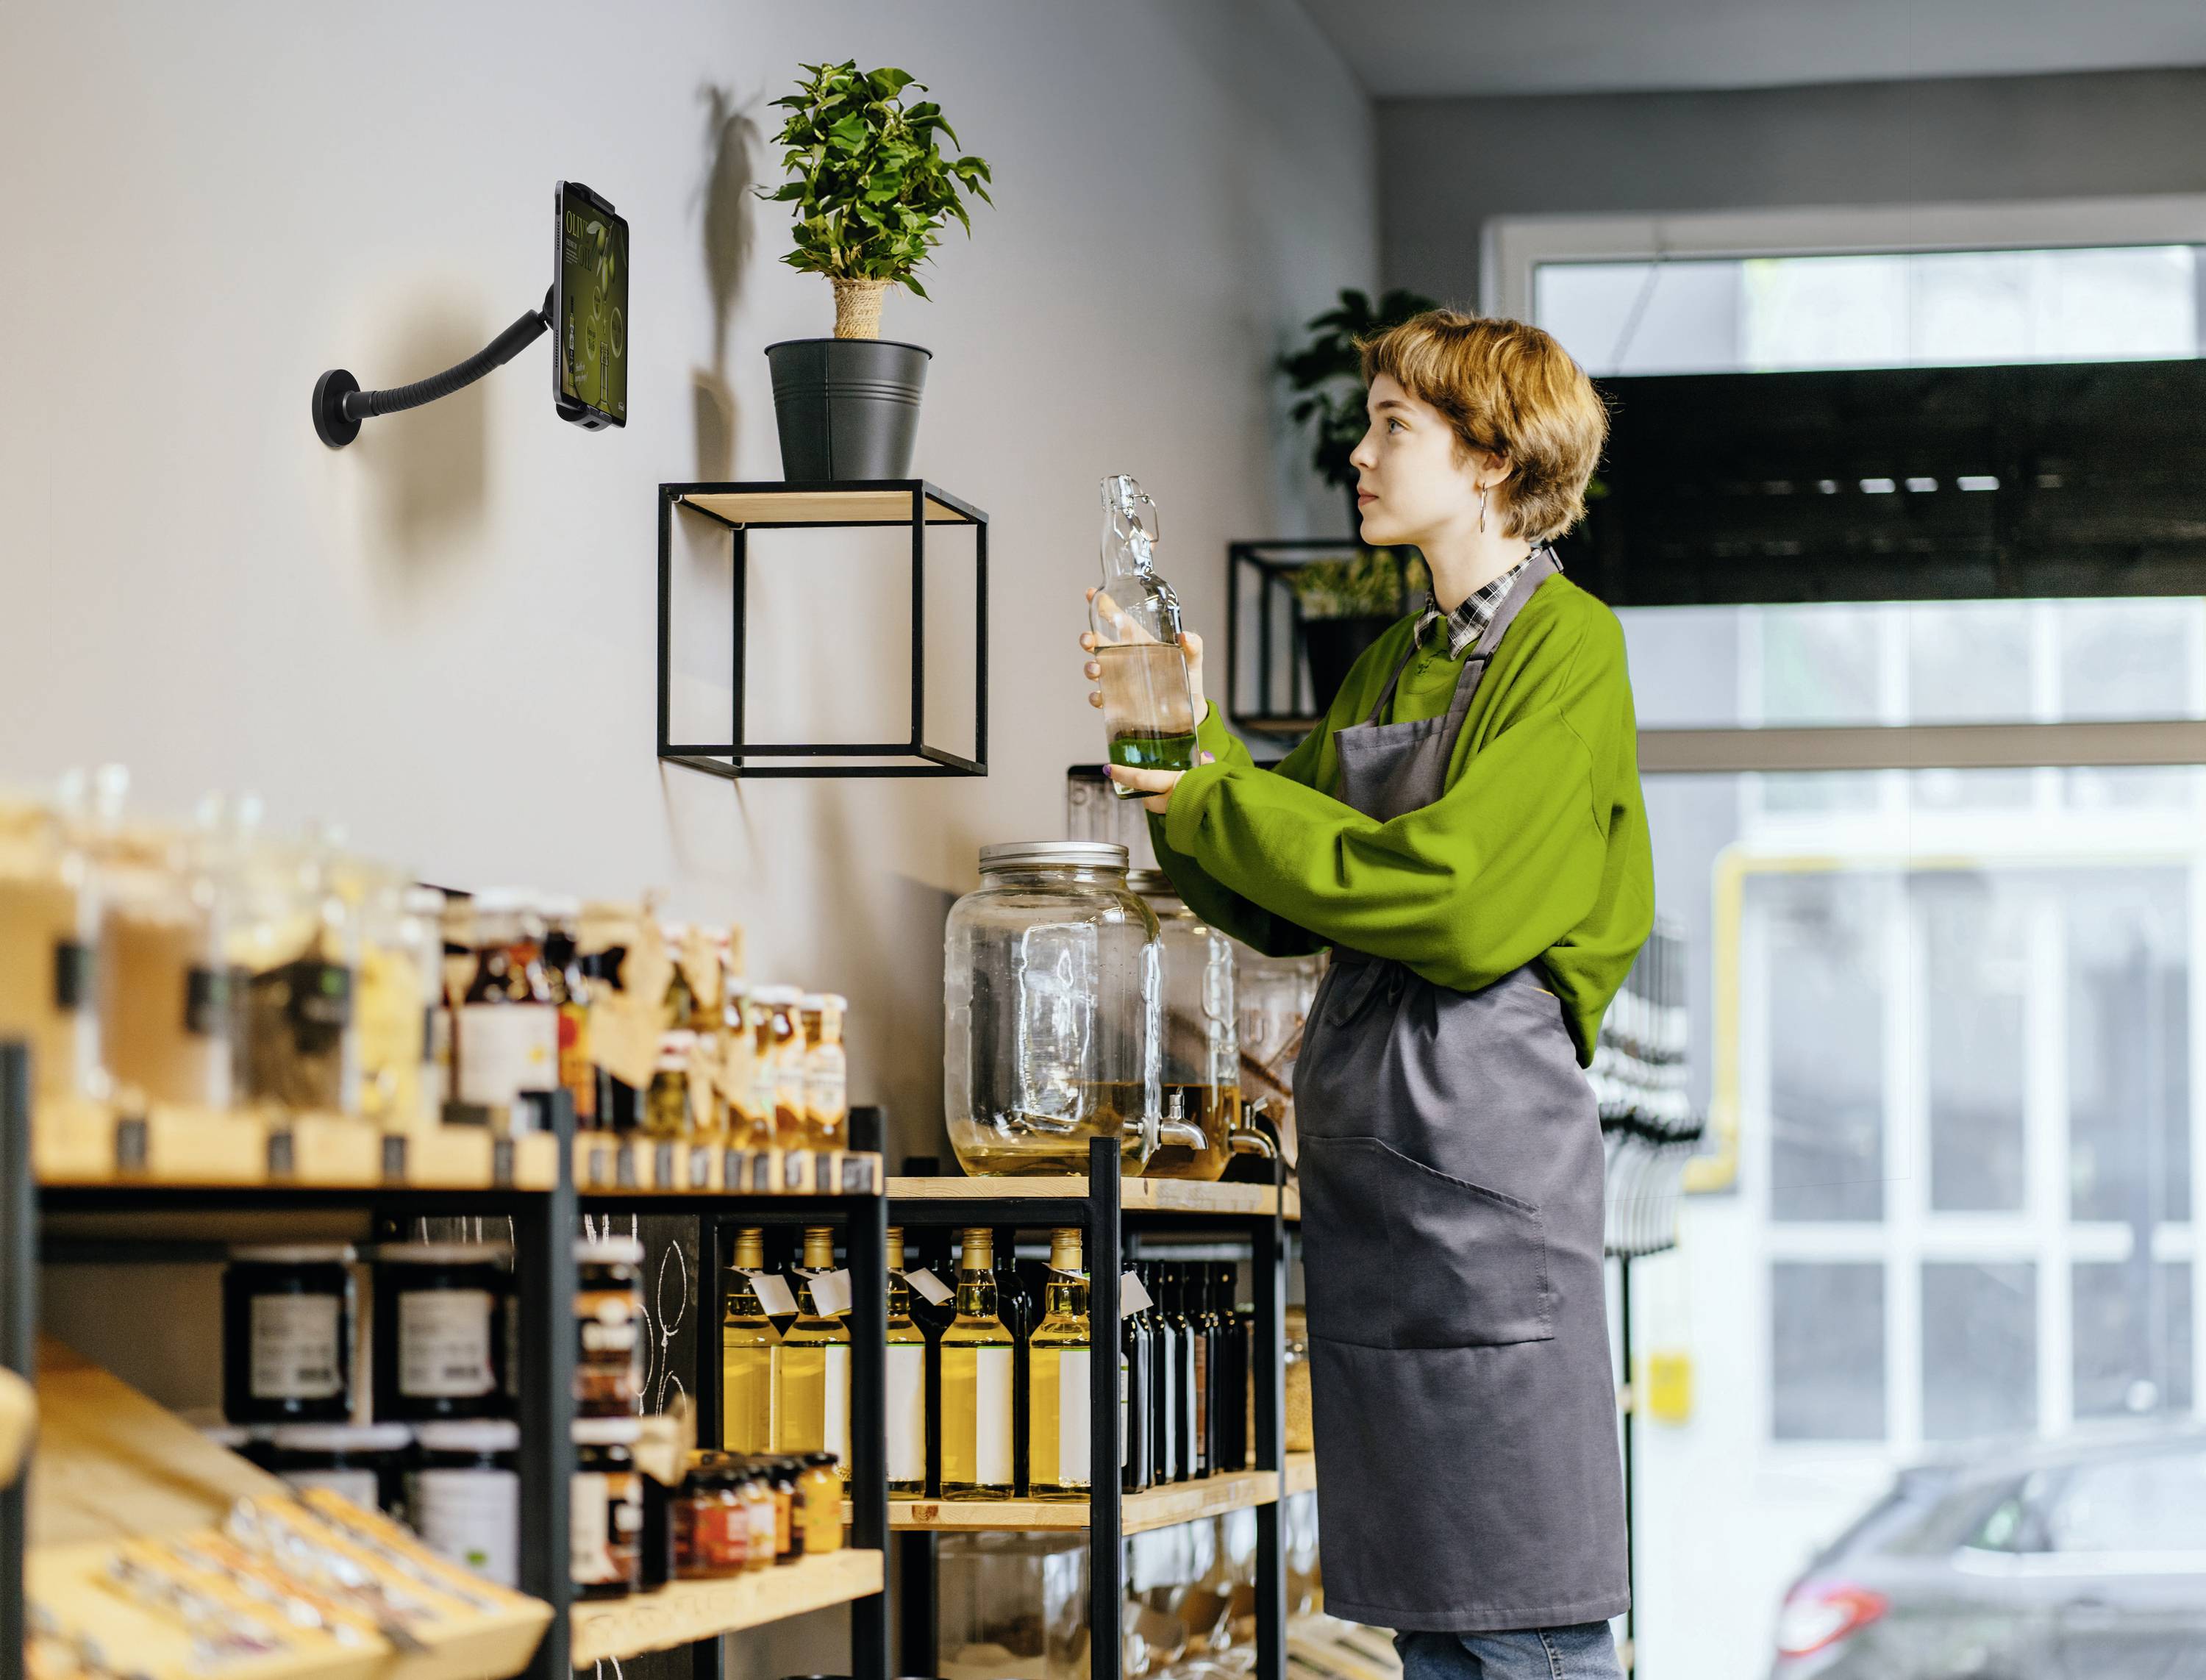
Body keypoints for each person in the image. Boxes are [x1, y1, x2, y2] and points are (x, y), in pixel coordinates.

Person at [1082, 310, 1652, 1680]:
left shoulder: (1567, 649)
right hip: (1381, 1191)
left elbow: (1454, 900)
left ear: (1496, 458)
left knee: (1523, 1619)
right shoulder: (1400, 661)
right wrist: (1182, 739)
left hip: (1485, 1166)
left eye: (1397, 423)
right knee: (1431, 1628)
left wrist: (1219, 789)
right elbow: (1280, 884)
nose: (1361, 448)